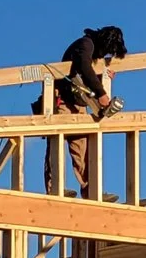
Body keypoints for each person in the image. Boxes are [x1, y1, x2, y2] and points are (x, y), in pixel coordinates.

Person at [38, 26, 127, 196]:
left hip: (78, 103)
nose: (104, 56)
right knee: (58, 138)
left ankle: (90, 190)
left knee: (82, 147)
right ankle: (54, 189)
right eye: (108, 52)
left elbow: (84, 74)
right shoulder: (86, 45)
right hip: (62, 100)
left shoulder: (91, 50)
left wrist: (102, 76)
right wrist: (101, 93)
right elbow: (83, 66)